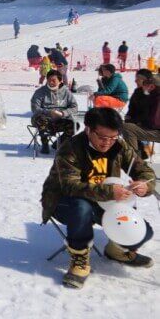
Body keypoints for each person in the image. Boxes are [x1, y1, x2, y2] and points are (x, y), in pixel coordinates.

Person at [40, 107, 155, 289]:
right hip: (63, 201)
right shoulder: (70, 148)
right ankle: (79, 259)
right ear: (88, 129)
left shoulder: (119, 146)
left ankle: (116, 250)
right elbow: (71, 186)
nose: (107, 143)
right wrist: (110, 192)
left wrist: (145, 184)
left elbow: (144, 170)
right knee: (81, 207)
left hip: (104, 202)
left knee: (144, 233)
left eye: (113, 137)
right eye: (102, 137)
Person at [30, 69, 78, 154]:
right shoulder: (40, 92)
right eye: (49, 80)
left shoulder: (66, 92)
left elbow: (74, 107)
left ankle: (58, 143)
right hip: (44, 119)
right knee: (41, 119)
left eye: (54, 80)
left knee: (74, 125)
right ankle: (44, 143)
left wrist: (63, 113)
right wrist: (49, 112)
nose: (51, 82)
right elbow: (35, 108)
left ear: (60, 81)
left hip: (60, 119)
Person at [122, 69, 159, 154]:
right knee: (124, 127)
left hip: (150, 126)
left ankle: (138, 155)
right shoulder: (137, 92)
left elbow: (149, 115)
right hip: (139, 124)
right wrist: (129, 118)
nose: (136, 80)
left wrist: (135, 121)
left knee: (128, 128)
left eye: (138, 78)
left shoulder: (154, 94)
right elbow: (131, 109)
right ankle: (135, 155)